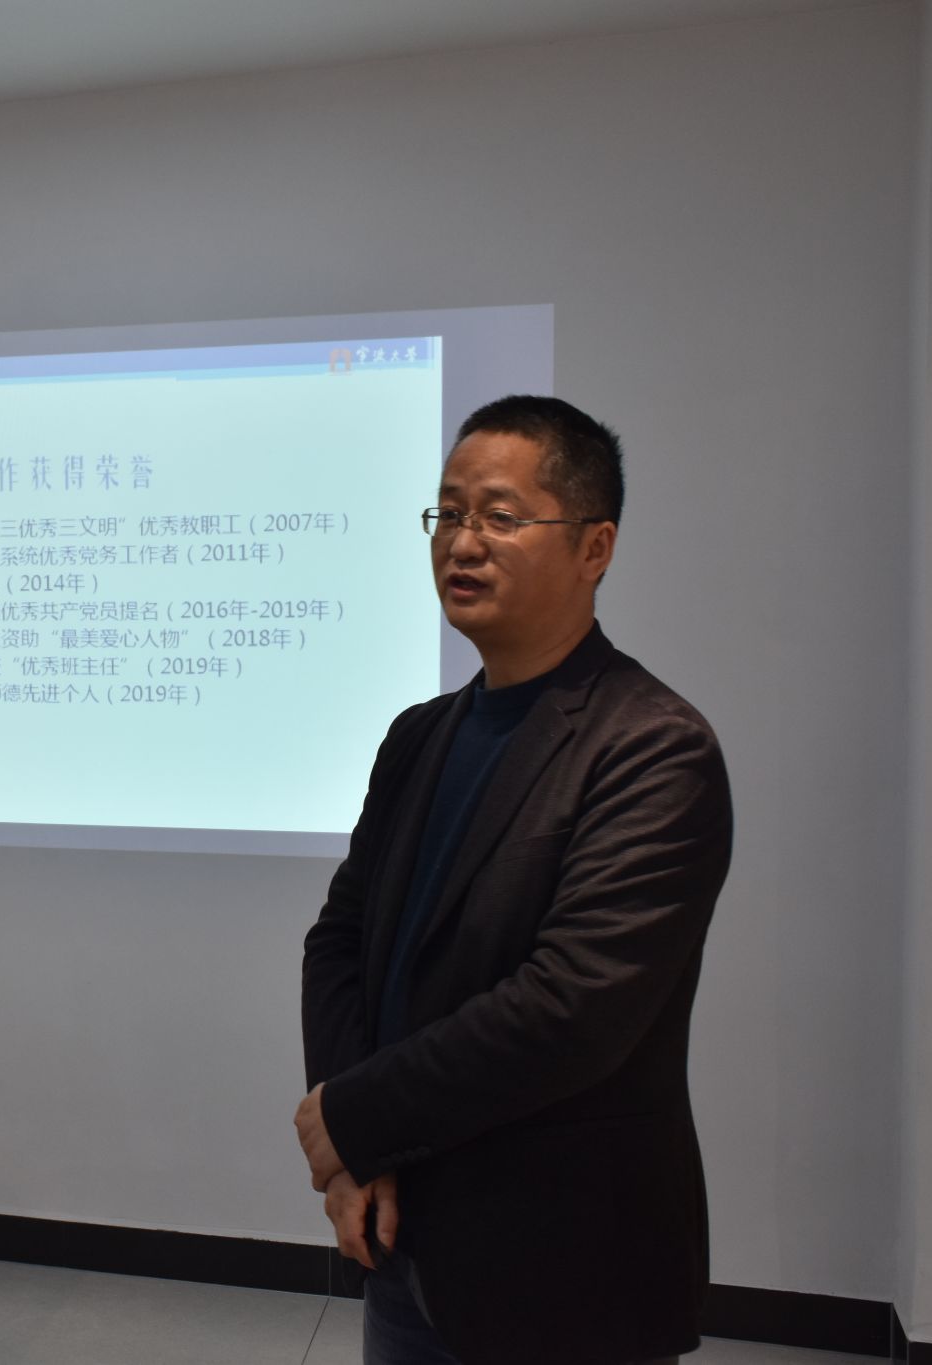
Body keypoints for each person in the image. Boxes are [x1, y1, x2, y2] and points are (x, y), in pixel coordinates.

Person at [294, 395, 733, 1365]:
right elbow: (341, 940)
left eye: (498, 515)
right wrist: (354, 1151)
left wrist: (357, 1118)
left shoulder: (651, 748)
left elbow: (571, 1009)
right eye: (447, 513)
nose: (462, 542)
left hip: (562, 1266)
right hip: (404, 1239)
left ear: (594, 547)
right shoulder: (418, 736)